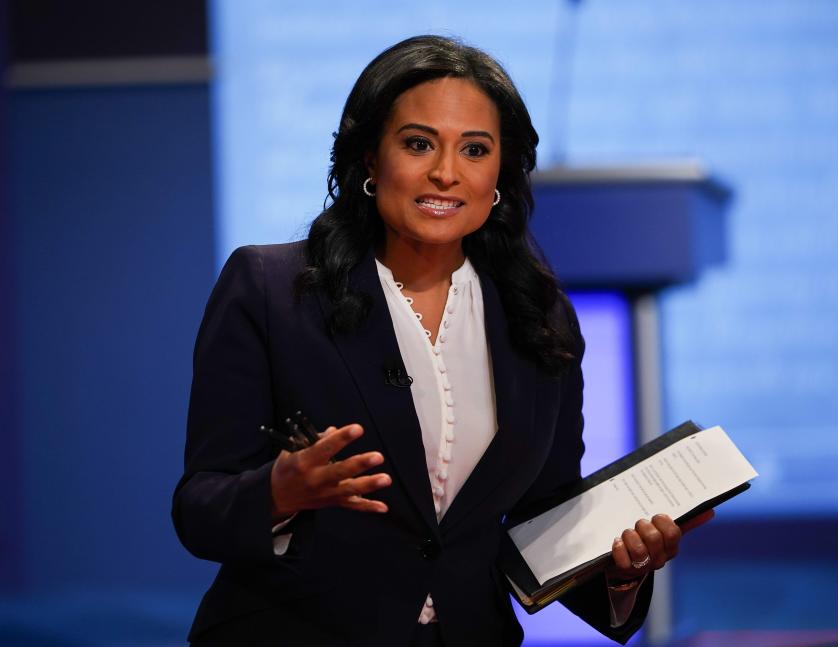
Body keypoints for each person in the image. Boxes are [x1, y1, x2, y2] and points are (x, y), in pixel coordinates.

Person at [172, 35, 712, 647]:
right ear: (370, 159)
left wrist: (620, 572)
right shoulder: (271, 290)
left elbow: (544, 518)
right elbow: (200, 507)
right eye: (418, 143)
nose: (446, 173)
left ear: (500, 175)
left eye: (475, 150)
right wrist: (280, 491)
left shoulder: (540, 317)